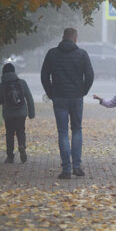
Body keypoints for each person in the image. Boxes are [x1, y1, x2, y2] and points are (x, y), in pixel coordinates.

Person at [40, 28, 94, 179]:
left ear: (63, 37)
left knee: (62, 132)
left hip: (59, 96)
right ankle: (77, 167)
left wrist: (51, 92)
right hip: (76, 97)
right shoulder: (82, 54)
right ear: (75, 38)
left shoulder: (52, 54)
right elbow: (90, 75)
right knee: (77, 129)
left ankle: (66, 169)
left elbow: (44, 76)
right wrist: (83, 91)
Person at [0, 62, 35, 163]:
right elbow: (29, 98)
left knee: (9, 133)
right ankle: (21, 146)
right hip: (21, 113)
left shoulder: (1, 85)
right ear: (14, 71)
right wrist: (31, 113)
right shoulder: (22, 83)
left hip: (8, 114)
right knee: (21, 131)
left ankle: (10, 156)